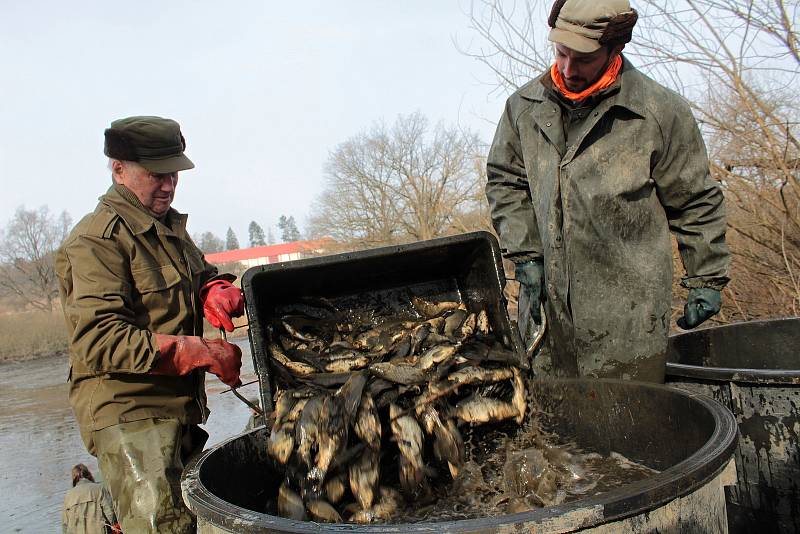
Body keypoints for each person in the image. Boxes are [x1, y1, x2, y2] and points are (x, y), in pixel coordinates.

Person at [485, 0, 730, 383]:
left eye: (582, 58)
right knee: (552, 430)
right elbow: (505, 180)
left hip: (628, 317)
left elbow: (695, 201)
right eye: (561, 53)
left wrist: (706, 277)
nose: (567, 69)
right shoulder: (523, 107)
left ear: (615, 49)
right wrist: (526, 254)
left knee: (630, 430)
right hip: (546, 315)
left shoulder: (658, 112)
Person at [56, 116, 246, 532]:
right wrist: (199, 352)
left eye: (174, 174)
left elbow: (200, 275)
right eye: (156, 175)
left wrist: (214, 289)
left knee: (194, 519)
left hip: (178, 407)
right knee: (162, 525)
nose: (168, 185)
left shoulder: (167, 227)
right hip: (128, 410)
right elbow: (100, 340)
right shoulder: (97, 239)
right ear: (118, 169)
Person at [62, 464, 118, 534]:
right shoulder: (99, 489)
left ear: (74, 478)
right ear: (89, 474)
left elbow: (65, 526)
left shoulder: (68, 496)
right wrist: (115, 526)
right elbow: (111, 514)